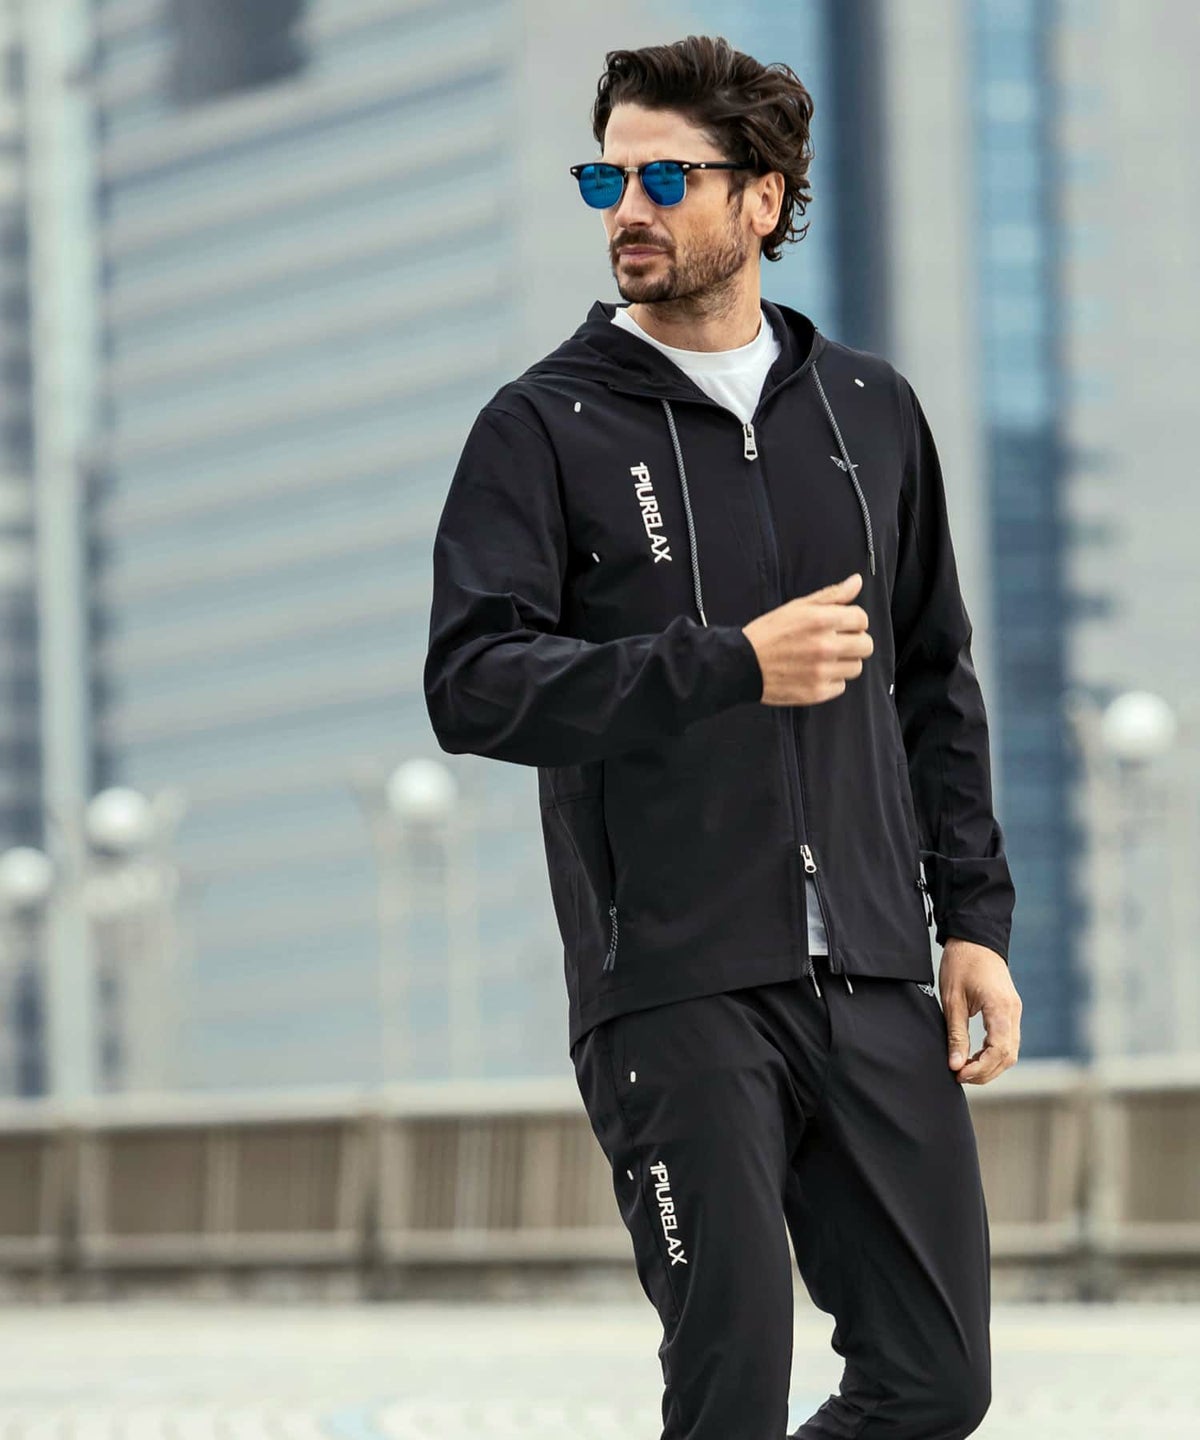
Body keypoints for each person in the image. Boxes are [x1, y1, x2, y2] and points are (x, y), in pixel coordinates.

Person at [424, 33, 1022, 1440]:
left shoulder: (868, 410)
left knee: (937, 1381)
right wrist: (729, 666)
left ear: (762, 198)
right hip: (675, 986)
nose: (627, 208)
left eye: (663, 179)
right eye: (607, 178)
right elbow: (474, 682)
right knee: (731, 1391)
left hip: (872, 971)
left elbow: (934, 682)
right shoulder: (544, 426)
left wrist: (973, 922)